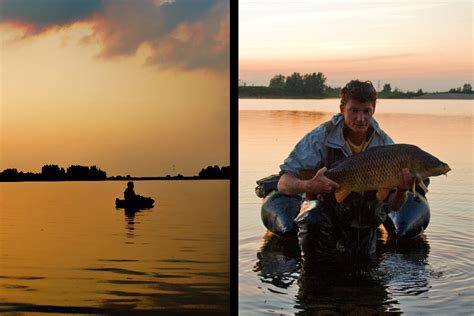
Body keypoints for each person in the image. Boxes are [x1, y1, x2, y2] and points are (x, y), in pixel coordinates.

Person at [277, 80, 418, 261]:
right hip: (326, 216)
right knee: (313, 225)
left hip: (364, 221)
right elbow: (283, 183)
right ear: (342, 109)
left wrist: (401, 190)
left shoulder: (385, 144)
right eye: (354, 111)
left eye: (366, 111)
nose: (361, 119)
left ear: (373, 110)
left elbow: (394, 206)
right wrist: (308, 185)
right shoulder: (320, 137)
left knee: (362, 268)